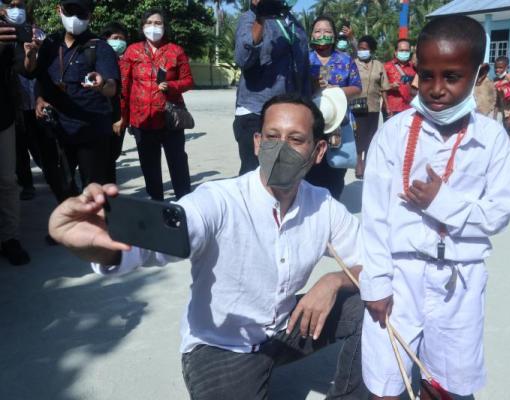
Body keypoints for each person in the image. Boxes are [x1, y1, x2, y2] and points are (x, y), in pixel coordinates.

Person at [48, 93, 367, 400]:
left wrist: (334, 281)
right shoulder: (219, 200)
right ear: (257, 143)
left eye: (296, 139)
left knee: (377, 305)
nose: (281, 149)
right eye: (272, 136)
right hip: (222, 349)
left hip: (285, 326)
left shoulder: (322, 205)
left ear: (319, 150)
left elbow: (374, 262)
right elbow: (167, 235)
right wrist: (99, 242)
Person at [360, 16, 510, 399]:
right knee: (387, 377)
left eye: (451, 77)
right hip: (399, 276)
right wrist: (377, 282)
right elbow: (375, 216)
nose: (436, 89)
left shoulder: (492, 139)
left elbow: (498, 213)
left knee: (443, 384)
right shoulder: (393, 134)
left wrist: (441, 203)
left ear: (478, 74)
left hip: (459, 280)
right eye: (427, 75)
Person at [26, 0, 120, 193]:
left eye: (82, 12)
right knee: (60, 185)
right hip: (57, 131)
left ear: (89, 16)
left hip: (92, 131)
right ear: (59, 10)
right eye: (70, 10)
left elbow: (112, 87)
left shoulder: (99, 47)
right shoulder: (50, 43)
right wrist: (39, 99)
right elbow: (38, 77)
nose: (75, 17)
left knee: (93, 193)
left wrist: (101, 84)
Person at [120, 9, 193, 201]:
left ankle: (186, 205)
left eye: (158, 23)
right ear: (143, 26)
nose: (154, 26)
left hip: (170, 119)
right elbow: (124, 86)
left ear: (164, 26)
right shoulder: (132, 51)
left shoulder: (176, 51)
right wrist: (123, 117)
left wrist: (171, 86)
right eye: (149, 22)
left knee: (178, 164)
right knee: (150, 168)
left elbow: (188, 81)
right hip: (142, 121)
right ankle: (157, 207)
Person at [233, 0, 310, 175]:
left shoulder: (295, 24)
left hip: (288, 114)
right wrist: (261, 19)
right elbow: (242, 59)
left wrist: (307, 108)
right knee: (254, 174)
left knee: (283, 174)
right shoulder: (249, 19)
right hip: (255, 112)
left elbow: (303, 69)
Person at [305, 15, 361, 199]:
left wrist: (337, 92)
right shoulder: (303, 60)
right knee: (309, 171)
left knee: (335, 172)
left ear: (335, 35)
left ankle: (333, 208)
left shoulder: (345, 60)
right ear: (311, 34)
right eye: (318, 31)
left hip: (339, 123)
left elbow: (357, 88)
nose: (322, 34)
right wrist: (311, 86)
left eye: (327, 31)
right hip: (309, 123)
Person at [0, 10, 31, 265]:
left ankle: (9, 237)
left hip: (3, 117)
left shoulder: (7, 29)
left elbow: (22, 67)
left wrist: (30, 54)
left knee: (7, 181)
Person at [353, 35, 389, 179]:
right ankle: (358, 163)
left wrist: (386, 104)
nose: (362, 51)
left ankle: (368, 163)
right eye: (360, 48)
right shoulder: (353, 63)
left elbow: (384, 87)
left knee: (370, 136)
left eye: (365, 49)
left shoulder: (379, 65)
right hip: (355, 106)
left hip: (373, 106)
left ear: (371, 50)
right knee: (357, 136)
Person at [100, 21, 128, 183]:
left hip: (119, 114)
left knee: (113, 153)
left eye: (122, 39)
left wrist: (124, 117)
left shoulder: (127, 62)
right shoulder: (96, 58)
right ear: (106, 39)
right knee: (102, 155)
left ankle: (110, 189)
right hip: (99, 114)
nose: (119, 42)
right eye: (115, 38)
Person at [383, 39, 416, 120]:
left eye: (406, 50)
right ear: (395, 52)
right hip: (392, 109)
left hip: (410, 108)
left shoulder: (414, 67)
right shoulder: (386, 67)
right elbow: (379, 87)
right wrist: (390, 86)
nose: (404, 53)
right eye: (401, 50)